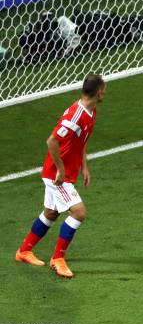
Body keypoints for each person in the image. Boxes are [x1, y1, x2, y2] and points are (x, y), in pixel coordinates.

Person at [15, 75, 106, 278]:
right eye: (104, 88)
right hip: (57, 175)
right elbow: (51, 141)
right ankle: (58, 259)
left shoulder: (90, 112)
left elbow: (80, 142)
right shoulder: (76, 116)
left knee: (51, 213)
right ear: (98, 91)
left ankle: (24, 251)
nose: (105, 92)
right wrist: (61, 170)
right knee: (79, 212)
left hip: (65, 172)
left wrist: (84, 166)